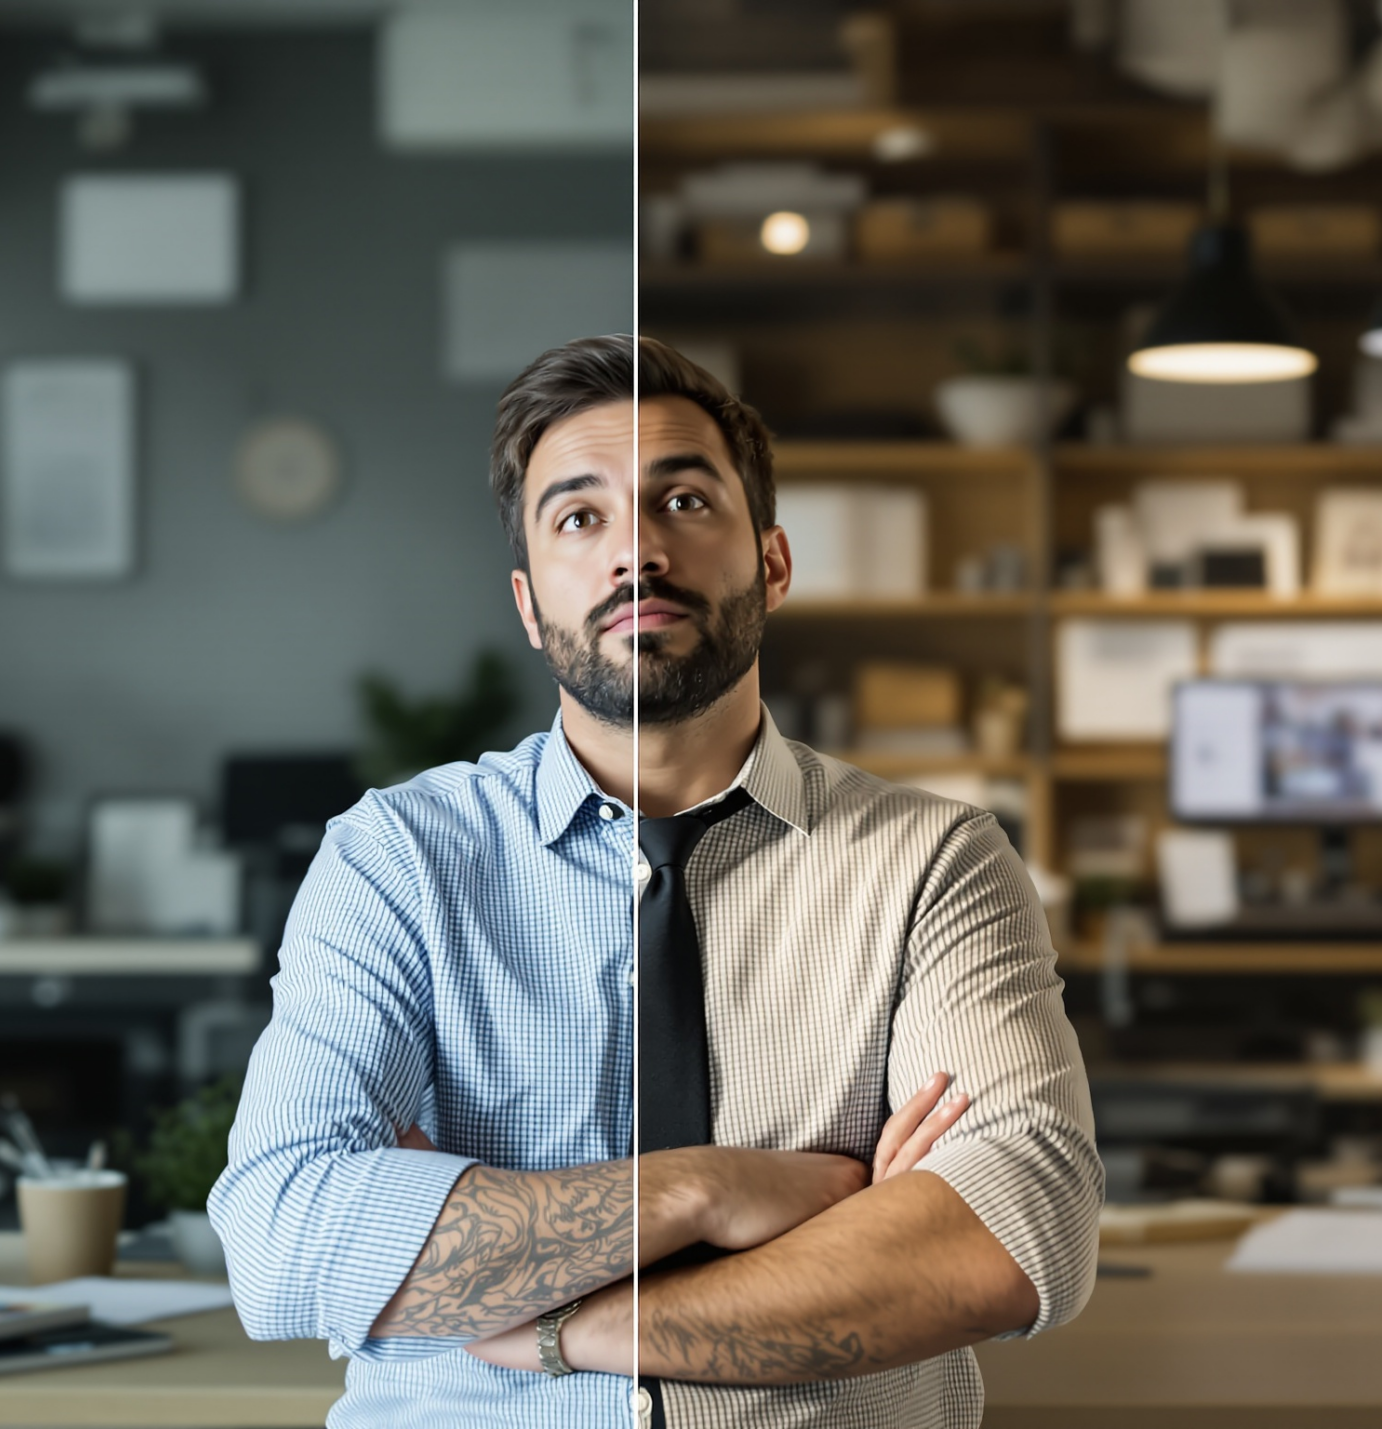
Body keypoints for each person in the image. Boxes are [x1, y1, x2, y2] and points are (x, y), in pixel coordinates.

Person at [210, 334, 1100, 1429]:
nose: (634, 549)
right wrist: (710, 1191)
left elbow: (1007, 1241)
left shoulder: (934, 862)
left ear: (771, 563)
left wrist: (555, 1325)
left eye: (681, 500)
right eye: (579, 517)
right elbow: (286, 1239)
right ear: (531, 603)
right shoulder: (397, 859)